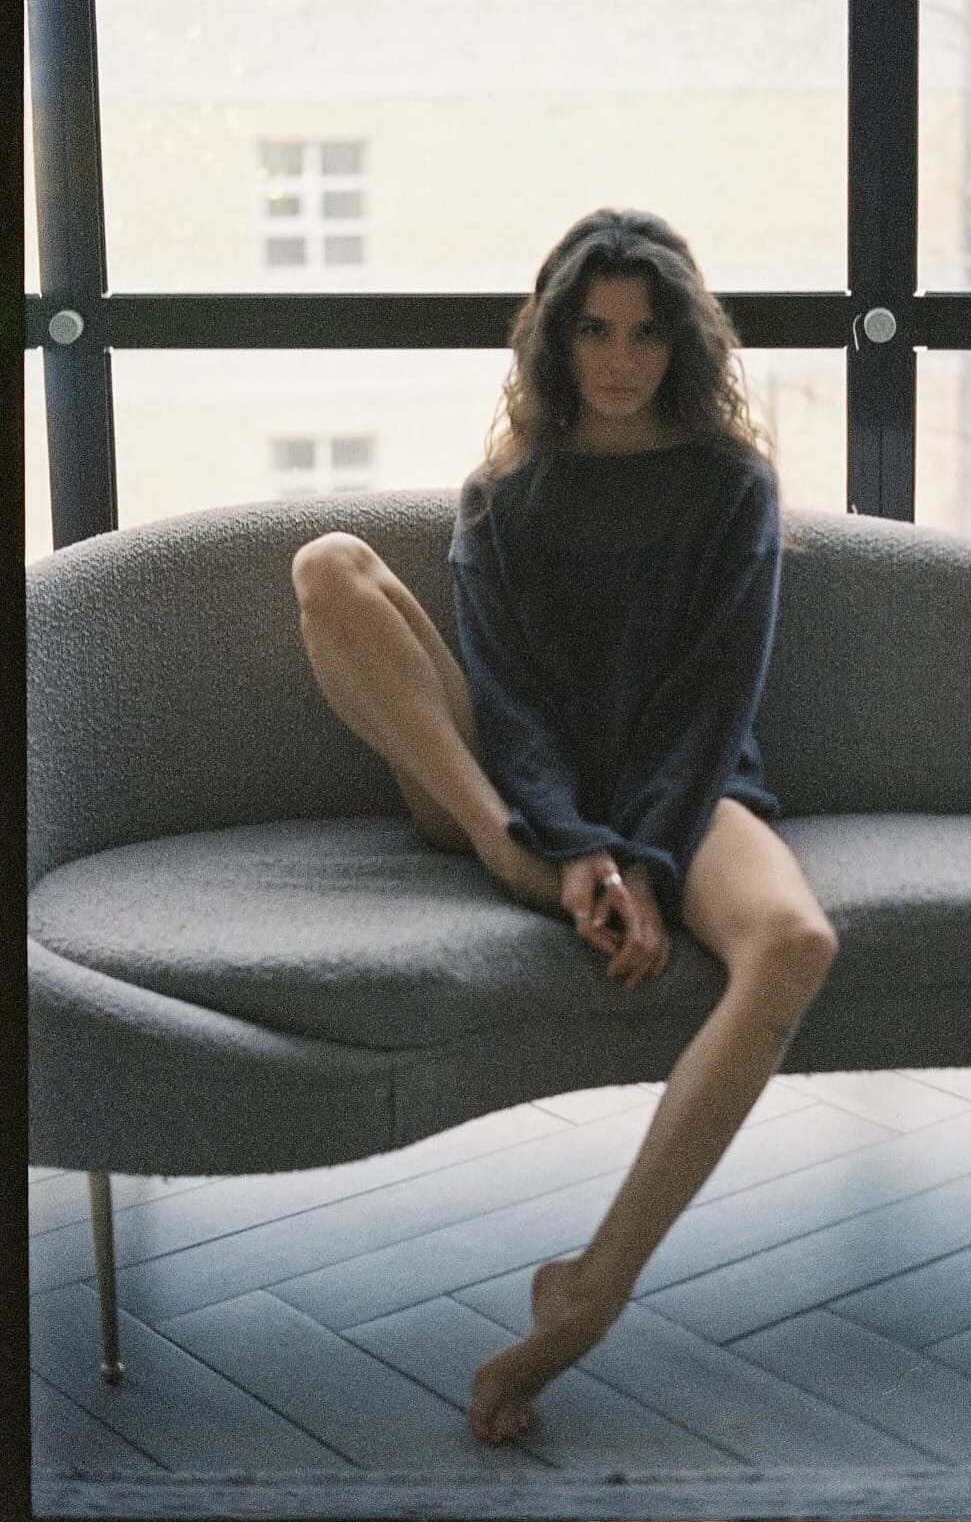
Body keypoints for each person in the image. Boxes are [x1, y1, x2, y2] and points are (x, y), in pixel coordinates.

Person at [290, 207, 839, 1445]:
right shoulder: (505, 496)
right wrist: (549, 835)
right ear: (554, 335)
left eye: (647, 332)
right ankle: (519, 866)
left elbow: (712, 698)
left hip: (685, 794)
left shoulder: (729, 485)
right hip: (500, 792)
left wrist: (638, 852)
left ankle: (591, 1288)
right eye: (593, 328)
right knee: (329, 564)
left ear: (683, 343)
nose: (620, 357)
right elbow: (513, 695)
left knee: (796, 941)